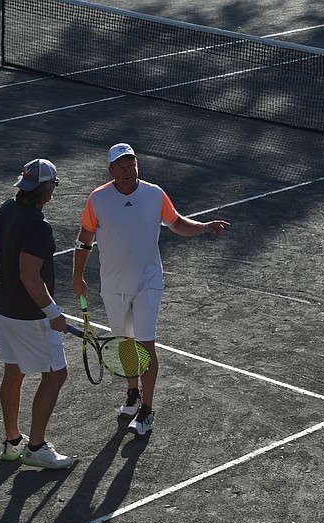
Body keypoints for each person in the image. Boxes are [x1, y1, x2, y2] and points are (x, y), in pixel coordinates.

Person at [72, 143, 230, 436]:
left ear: (137, 166)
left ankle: (147, 410)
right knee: (124, 344)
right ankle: (133, 392)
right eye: (120, 166)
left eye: (131, 165)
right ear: (111, 171)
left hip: (148, 282)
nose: (127, 171)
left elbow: (177, 224)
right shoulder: (98, 199)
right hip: (113, 285)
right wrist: (77, 276)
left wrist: (205, 227)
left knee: (146, 343)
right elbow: (84, 240)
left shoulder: (155, 194)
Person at [0, 158, 74, 469]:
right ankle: (35, 447)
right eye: (53, 185)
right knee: (55, 375)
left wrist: (7, 257)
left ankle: (12, 443)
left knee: (14, 371)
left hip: (1, 307)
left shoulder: (8, 208)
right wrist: (53, 312)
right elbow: (30, 276)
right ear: (46, 189)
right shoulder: (39, 227)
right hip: (30, 317)